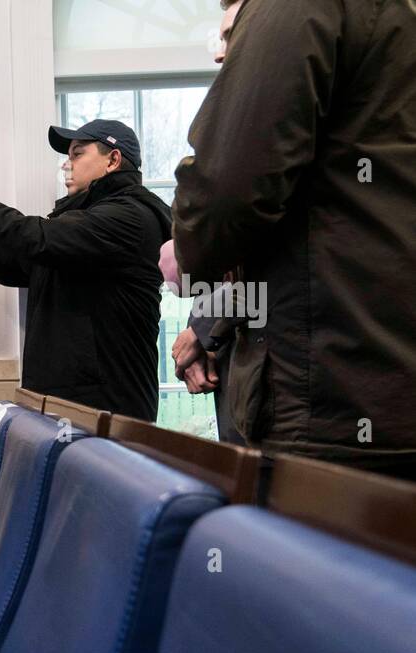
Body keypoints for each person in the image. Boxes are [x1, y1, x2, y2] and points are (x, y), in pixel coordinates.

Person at [170, 0, 416, 480]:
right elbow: (328, 245)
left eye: (235, 36)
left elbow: (224, 201)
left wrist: (189, 253)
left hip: (334, 406)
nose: (227, 54)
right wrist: (210, 324)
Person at [0, 120, 173, 421]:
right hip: (76, 406)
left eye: (77, 154)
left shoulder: (130, 216)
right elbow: (12, 265)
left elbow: (35, 238)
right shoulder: (85, 217)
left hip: (108, 410)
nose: (65, 165)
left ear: (113, 160)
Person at [162, 0, 245, 445]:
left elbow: (284, 284)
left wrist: (205, 327)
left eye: (232, 36)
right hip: (246, 376)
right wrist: (205, 332)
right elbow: (229, 276)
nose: (218, 53)